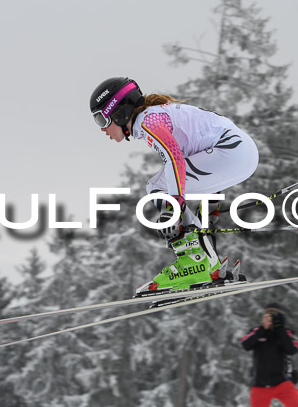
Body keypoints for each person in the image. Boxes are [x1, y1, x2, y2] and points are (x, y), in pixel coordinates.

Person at [89, 77, 259, 294]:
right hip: (239, 152)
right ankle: (208, 263)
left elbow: (174, 158)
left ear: (118, 112)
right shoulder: (156, 115)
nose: (103, 129)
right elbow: (200, 156)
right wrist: (210, 206)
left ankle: (195, 263)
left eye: (101, 120)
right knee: (161, 187)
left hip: (231, 151)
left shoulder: (147, 121)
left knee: (157, 188)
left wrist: (174, 208)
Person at [240, 303, 298, 407]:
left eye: (275, 315)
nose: (271, 318)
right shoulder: (257, 331)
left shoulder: (286, 333)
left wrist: (280, 328)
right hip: (260, 385)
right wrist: (263, 329)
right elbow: (245, 344)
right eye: (268, 315)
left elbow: (293, 349)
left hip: (282, 382)